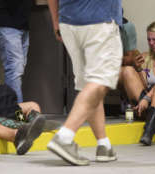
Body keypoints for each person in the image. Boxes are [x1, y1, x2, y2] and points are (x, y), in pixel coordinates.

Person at [47, 0, 123, 166]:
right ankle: (65, 137)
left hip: (68, 22)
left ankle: (104, 145)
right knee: (99, 82)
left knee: (89, 85)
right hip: (99, 22)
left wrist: (55, 20)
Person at [120, 20, 155, 146]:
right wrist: (138, 69)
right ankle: (149, 122)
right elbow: (143, 86)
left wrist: (147, 98)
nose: (151, 43)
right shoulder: (146, 57)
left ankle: (148, 132)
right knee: (128, 70)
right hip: (147, 104)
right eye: (149, 40)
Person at [0, 0, 32, 103]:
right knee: (14, 70)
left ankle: (14, 111)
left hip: (19, 22)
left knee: (17, 70)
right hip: (4, 21)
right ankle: (16, 114)